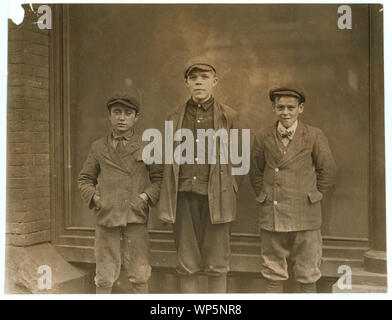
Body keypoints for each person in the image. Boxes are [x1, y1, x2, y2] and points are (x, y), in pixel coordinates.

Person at [157, 63, 241, 293]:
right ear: (187, 83)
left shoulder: (228, 116)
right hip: (183, 197)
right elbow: (166, 159)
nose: (199, 82)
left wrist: (228, 188)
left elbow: (238, 161)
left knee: (217, 262)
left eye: (205, 77)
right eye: (193, 78)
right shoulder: (174, 117)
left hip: (217, 198)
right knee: (186, 262)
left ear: (215, 81)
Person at [249, 86, 337, 293]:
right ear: (273, 108)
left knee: (308, 273)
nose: (285, 112)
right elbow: (255, 172)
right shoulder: (263, 137)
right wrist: (266, 195)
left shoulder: (314, 135)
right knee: (273, 270)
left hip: (306, 213)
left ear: (301, 108)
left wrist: (312, 196)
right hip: (273, 213)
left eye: (291, 107)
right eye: (280, 107)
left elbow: (328, 172)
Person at [78, 92, 163, 294]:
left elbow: (159, 180)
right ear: (110, 116)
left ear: (136, 117)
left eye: (128, 113)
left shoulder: (147, 145)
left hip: (136, 216)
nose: (122, 117)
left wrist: (144, 198)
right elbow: (84, 179)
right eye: (117, 112)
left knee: (140, 272)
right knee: (104, 274)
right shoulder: (98, 146)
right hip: (107, 216)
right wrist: (97, 199)